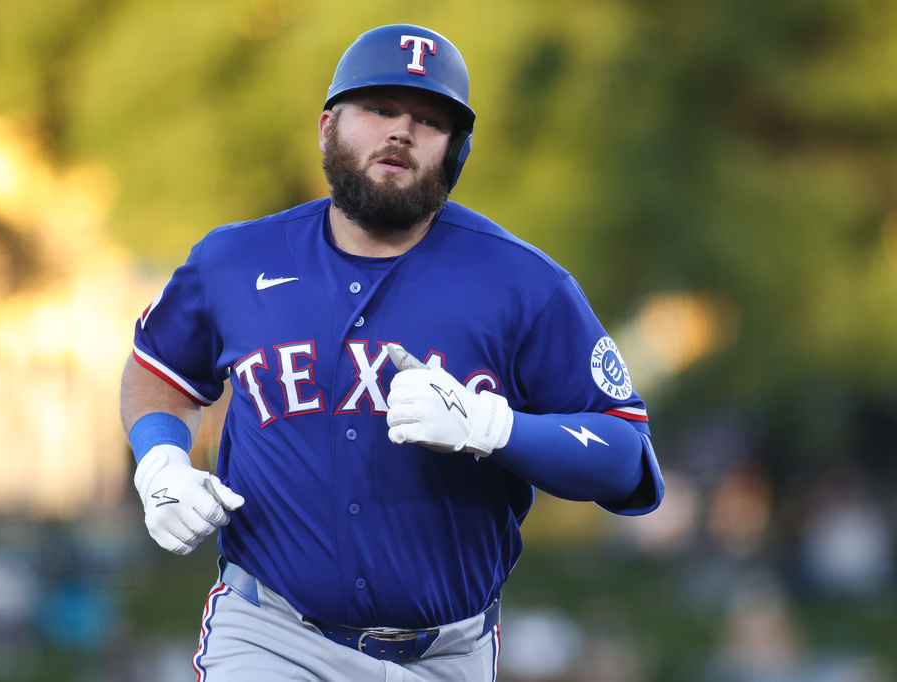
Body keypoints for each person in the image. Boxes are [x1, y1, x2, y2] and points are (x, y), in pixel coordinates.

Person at [120, 23, 664, 682]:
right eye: (380, 109)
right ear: (327, 127)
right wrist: (159, 463)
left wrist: (493, 427)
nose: (401, 131)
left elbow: (625, 455)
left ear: (455, 152)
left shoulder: (525, 282)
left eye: (429, 120)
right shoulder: (235, 260)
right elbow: (159, 373)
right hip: (269, 635)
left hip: (445, 655)